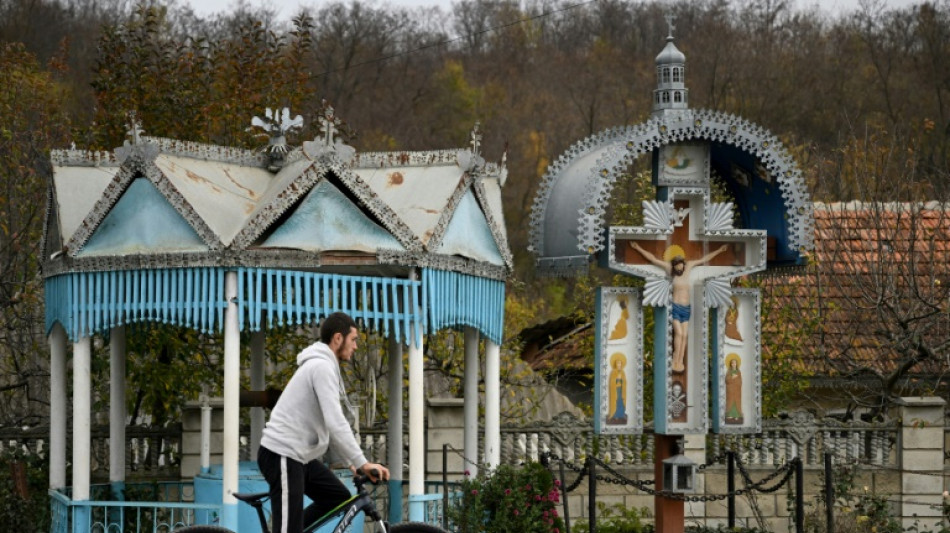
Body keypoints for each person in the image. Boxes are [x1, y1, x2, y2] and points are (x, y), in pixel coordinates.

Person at [258, 311, 390, 533]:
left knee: (337, 497)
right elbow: (335, 421)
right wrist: (362, 463)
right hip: (283, 454)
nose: (356, 346)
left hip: (300, 457)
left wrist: (350, 460)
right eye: (354, 339)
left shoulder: (325, 366)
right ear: (338, 338)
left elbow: (329, 423)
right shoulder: (321, 367)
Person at [629, 242, 728, 373]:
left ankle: (680, 361)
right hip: (675, 307)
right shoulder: (670, 270)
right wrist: (638, 247)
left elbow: (703, 259)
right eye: (677, 265)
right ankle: (675, 358)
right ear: (674, 266)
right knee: (679, 333)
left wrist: (720, 250)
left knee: (685, 335)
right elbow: (653, 259)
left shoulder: (688, 268)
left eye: (681, 264)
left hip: (687, 308)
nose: (680, 267)